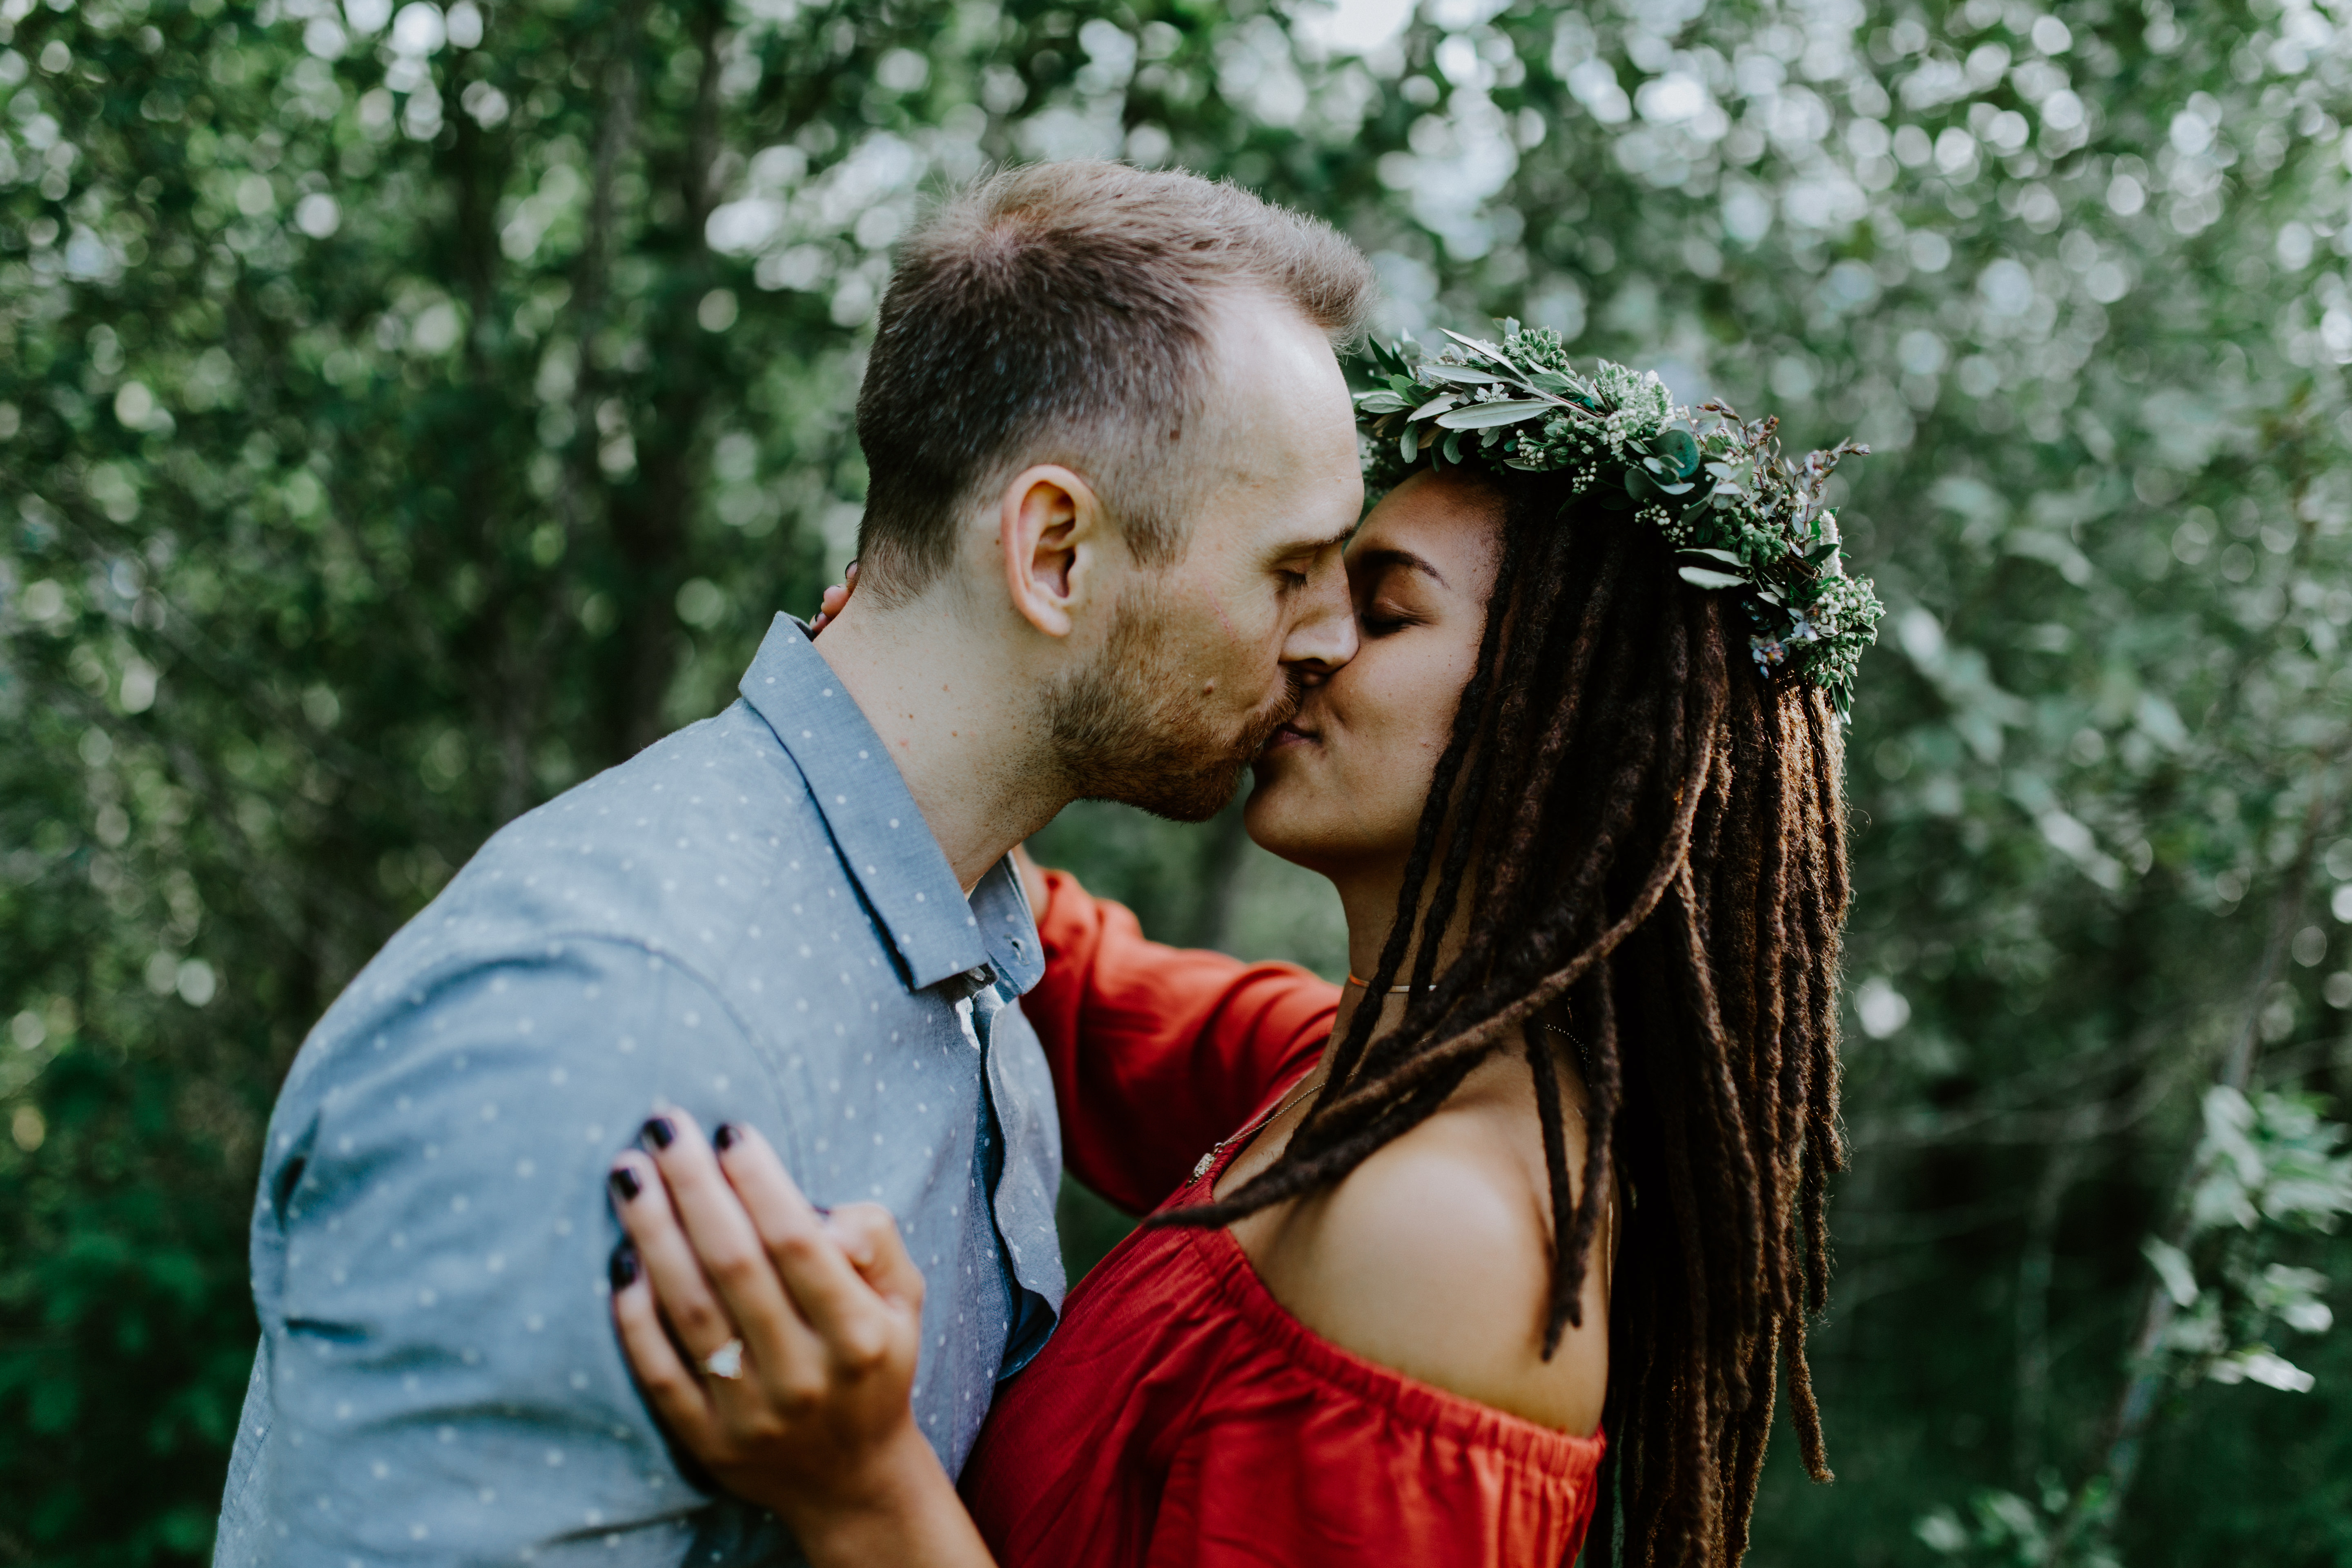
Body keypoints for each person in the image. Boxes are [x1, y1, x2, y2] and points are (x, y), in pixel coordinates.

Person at [209, 162, 1372, 1566]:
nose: (1330, 639)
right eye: (1291, 571)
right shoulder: (589, 1027)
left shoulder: (973, 958)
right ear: (1055, 552)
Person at [603, 330, 1884, 1566]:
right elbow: (1081, 981)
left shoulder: (1443, 1238)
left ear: (1573, 732)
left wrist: (859, 1488)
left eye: (1383, 613)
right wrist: (932, 681)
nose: (1311, 641)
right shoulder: (1345, 1066)